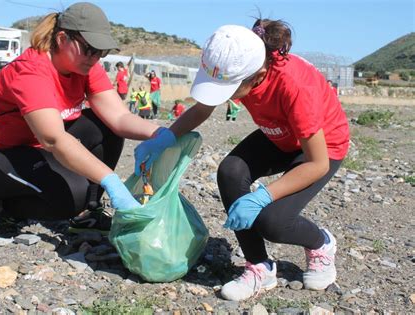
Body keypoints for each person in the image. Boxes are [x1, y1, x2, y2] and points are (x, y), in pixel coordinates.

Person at [134, 22, 349, 301]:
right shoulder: (235, 64)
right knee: (231, 171)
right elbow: (202, 109)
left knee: (273, 222)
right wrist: (165, 137)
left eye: (229, 88)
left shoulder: (295, 86)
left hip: (321, 148)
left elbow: (317, 163)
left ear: (259, 74)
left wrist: (263, 196)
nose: (225, 95)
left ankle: (321, 244)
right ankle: (259, 266)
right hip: (280, 136)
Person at [0, 2, 164, 245]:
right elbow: (53, 138)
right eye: (89, 49)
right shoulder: (32, 71)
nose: (95, 57)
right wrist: (111, 181)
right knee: (73, 194)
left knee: (105, 128)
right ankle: (4, 209)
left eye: (102, 52)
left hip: (35, 146)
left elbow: (119, 118)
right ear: (61, 38)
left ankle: (87, 213)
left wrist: (163, 134)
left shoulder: (86, 67)